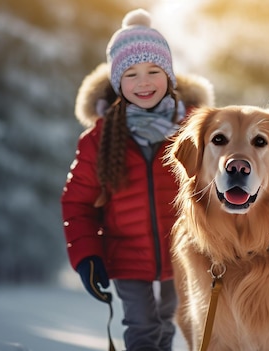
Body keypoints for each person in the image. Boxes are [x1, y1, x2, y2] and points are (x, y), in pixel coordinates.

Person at [61, 8, 214, 351]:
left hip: (184, 252)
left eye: (153, 71)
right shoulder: (99, 140)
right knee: (142, 326)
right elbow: (77, 202)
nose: (143, 82)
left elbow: (214, 190)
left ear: (169, 75)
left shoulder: (194, 130)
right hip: (126, 253)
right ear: (117, 82)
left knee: (167, 323)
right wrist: (87, 255)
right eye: (131, 74)